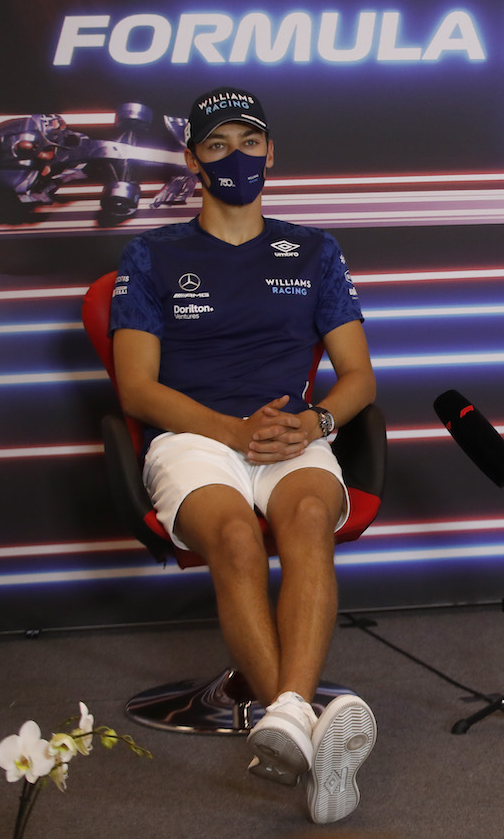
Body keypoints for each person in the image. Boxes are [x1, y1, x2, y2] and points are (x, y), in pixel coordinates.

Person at [110, 86, 377, 822]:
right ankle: (313, 725)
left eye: (249, 142)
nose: (236, 157)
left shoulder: (314, 250)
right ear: (193, 158)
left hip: (290, 433)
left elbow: (359, 378)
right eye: (217, 145)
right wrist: (230, 430)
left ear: (270, 152)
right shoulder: (151, 253)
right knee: (231, 535)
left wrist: (315, 420)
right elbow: (136, 388)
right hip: (198, 437)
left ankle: (288, 722)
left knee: (310, 516)